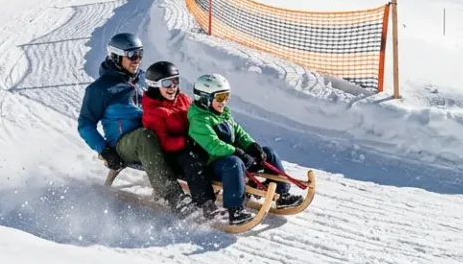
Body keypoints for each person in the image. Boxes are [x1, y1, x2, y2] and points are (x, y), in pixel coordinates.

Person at [77, 33, 190, 212]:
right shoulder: (101, 89)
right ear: (115, 56)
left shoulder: (146, 79)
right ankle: (173, 197)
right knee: (146, 136)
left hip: (157, 133)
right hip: (126, 143)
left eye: (140, 54)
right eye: (131, 55)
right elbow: (85, 124)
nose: (137, 60)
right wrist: (105, 150)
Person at [187, 73, 303, 226]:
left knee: (268, 152)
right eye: (220, 98)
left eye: (227, 96)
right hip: (212, 164)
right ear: (204, 98)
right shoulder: (199, 120)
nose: (224, 102)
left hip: (228, 157)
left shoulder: (222, 114)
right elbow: (213, 145)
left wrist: (252, 146)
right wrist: (238, 152)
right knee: (234, 163)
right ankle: (235, 210)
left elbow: (239, 133)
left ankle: (282, 194)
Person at [139, 61, 217, 216]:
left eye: (175, 81)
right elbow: (162, 143)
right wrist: (185, 142)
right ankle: (205, 204)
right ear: (154, 85)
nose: (172, 87)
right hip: (171, 155)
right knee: (192, 159)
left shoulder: (183, 99)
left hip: (190, 146)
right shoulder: (153, 112)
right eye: (167, 83)